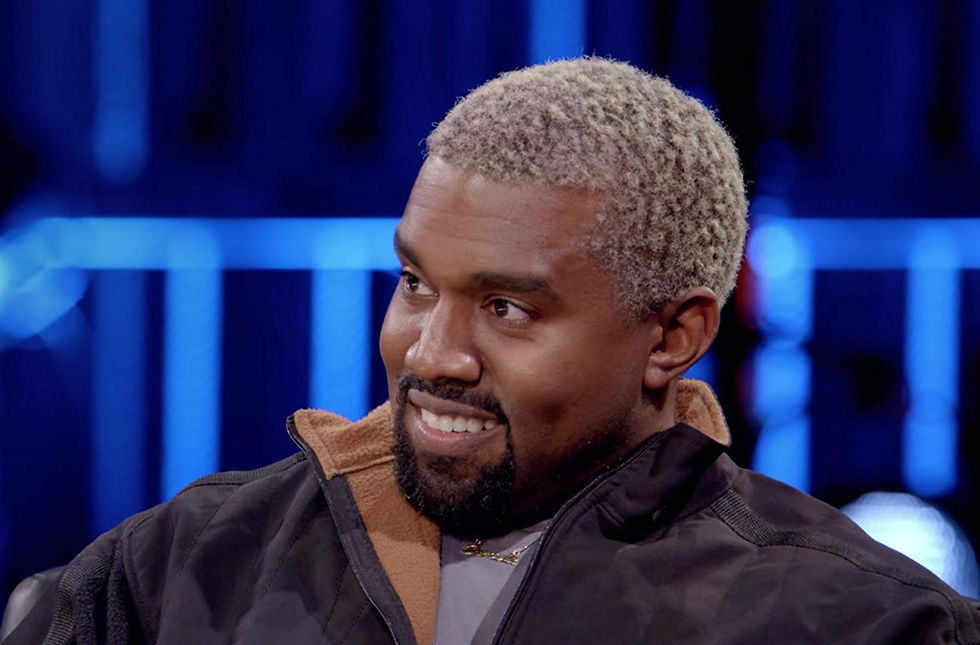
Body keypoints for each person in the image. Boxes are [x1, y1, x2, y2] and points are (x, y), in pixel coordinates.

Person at [5, 57, 980, 644]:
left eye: (507, 308)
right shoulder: (181, 565)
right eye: (415, 283)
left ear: (672, 335)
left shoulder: (857, 619)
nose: (431, 354)